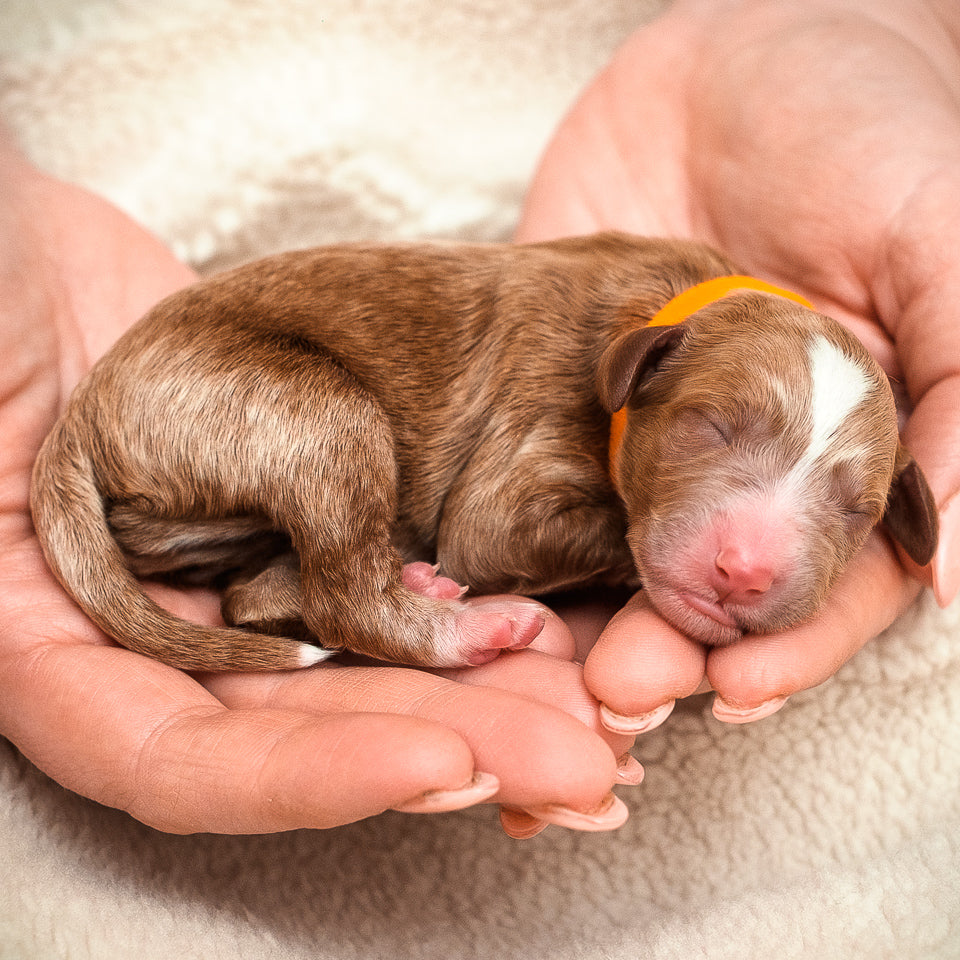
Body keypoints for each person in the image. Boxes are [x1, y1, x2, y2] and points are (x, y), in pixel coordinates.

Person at [0, 0, 956, 841]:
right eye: (716, 432)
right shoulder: (596, 342)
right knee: (332, 430)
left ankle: (273, 596)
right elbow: (488, 533)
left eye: (844, 510)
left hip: (218, 501)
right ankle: (362, 607)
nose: (754, 559)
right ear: (643, 372)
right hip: (211, 387)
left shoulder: (688, 339)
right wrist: (630, 554)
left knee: (336, 470)